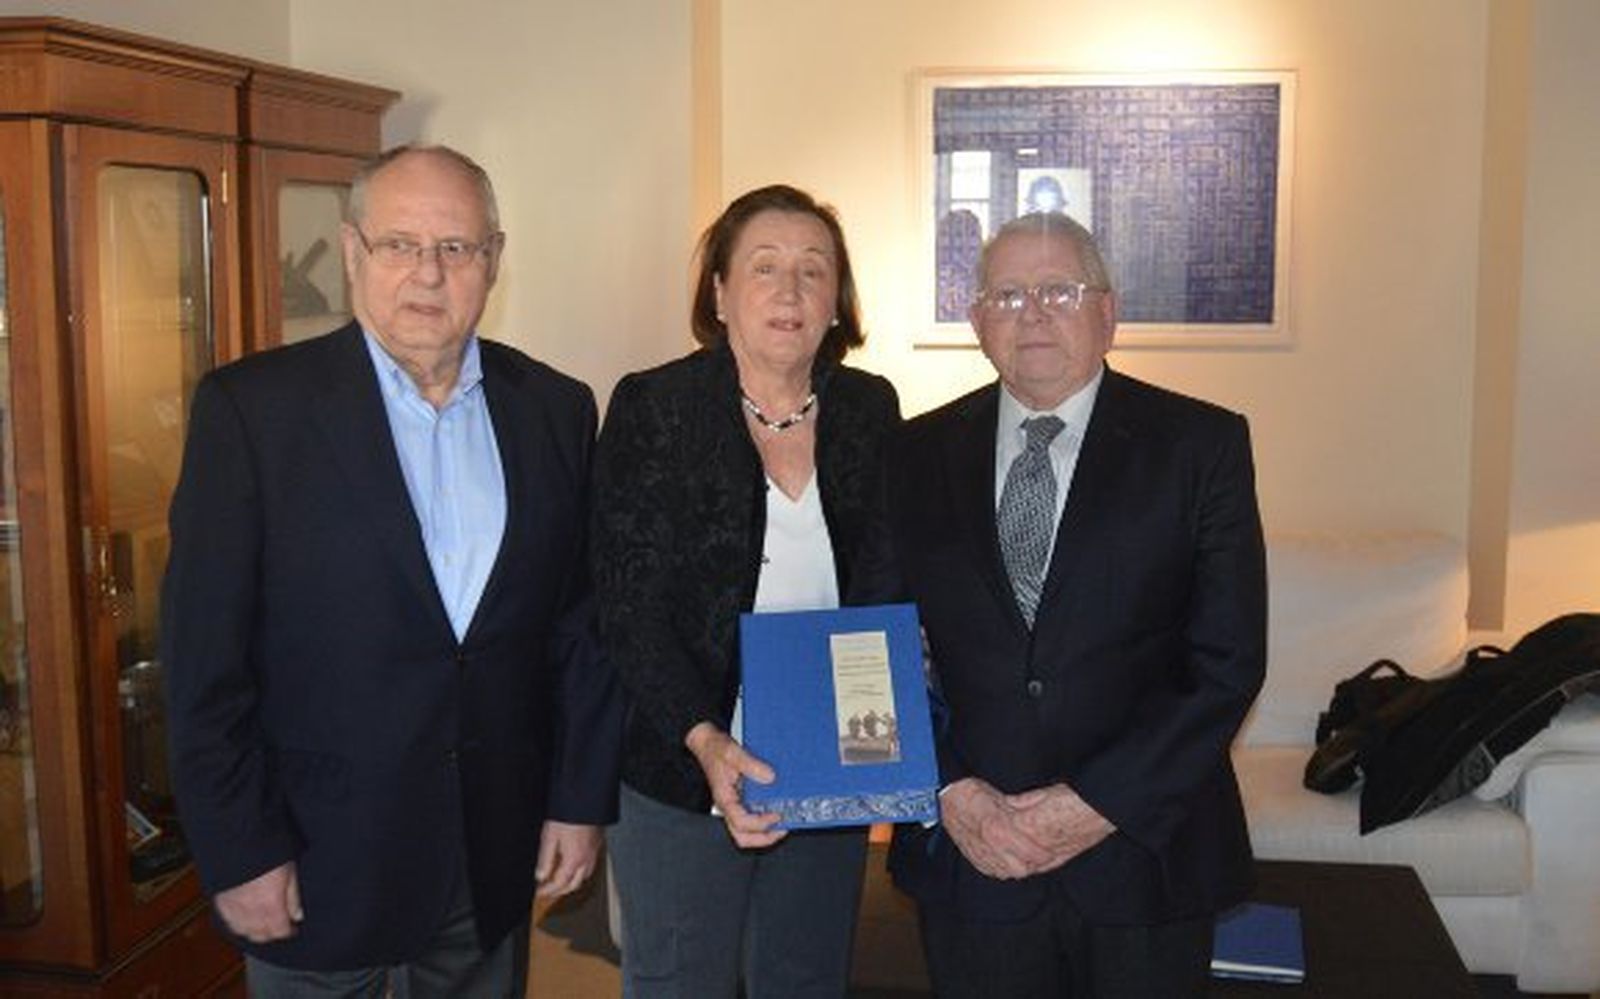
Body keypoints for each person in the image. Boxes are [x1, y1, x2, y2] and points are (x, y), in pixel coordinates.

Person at [162, 144, 621, 996]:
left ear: (494, 260)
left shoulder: (556, 410)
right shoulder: (252, 412)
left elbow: (577, 628)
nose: (428, 274)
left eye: (456, 248)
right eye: (399, 244)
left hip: (488, 862)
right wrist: (240, 849)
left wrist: (578, 798)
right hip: (311, 863)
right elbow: (202, 664)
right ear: (350, 253)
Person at [886, 212, 1267, 997]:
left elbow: (1227, 661)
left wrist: (1099, 803)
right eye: (1008, 293)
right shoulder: (912, 455)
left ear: (1108, 310)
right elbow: (873, 646)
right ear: (977, 320)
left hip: (1145, 857)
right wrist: (951, 791)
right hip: (973, 856)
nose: (1032, 312)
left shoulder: (1202, 446)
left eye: (1058, 289)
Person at [592, 184, 900, 997]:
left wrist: (885, 723)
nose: (790, 291)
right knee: (679, 981)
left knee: (805, 977)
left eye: (813, 269)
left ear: (838, 301)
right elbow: (626, 604)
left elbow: (882, 581)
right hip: (682, 765)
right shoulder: (655, 406)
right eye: (764, 267)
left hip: (824, 763)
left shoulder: (871, 407)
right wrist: (702, 737)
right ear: (720, 293)